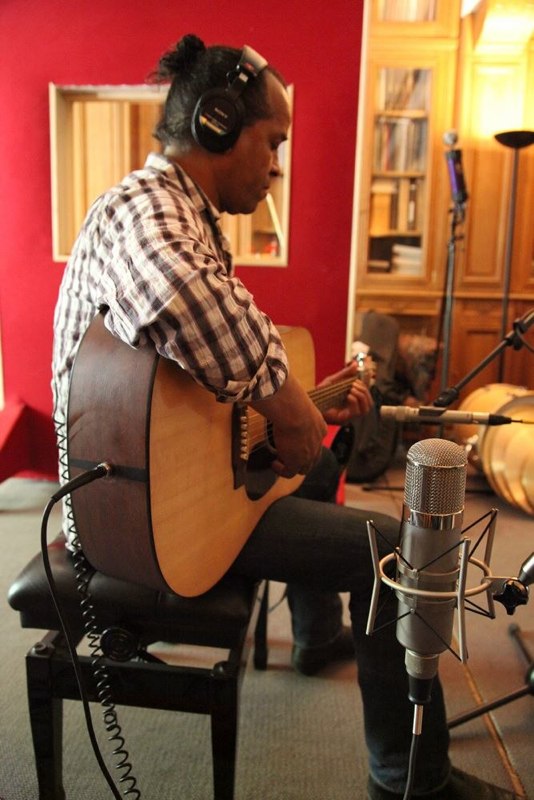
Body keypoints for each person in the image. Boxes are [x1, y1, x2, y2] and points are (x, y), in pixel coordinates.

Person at [51, 34, 519, 800]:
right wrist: (288, 403)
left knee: (323, 460)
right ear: (216, 124)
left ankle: (314, 634)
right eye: (273, 142)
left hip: (152, 495)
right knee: (391, 548)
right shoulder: (145, 206)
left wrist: (309, 403)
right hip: (134, 518)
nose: (276, 164)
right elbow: (176, 293)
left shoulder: (184, 214)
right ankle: (412, 780)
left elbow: (205, 365)